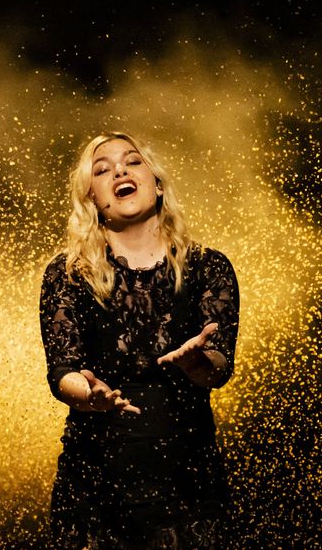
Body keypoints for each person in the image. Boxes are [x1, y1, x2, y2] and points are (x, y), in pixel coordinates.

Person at [39, 131, 240, 549]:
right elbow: (63, 370)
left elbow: (219, 366)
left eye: (132, 162)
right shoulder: (68, 274)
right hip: (95, 491)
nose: (119, 171)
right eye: (102, 168)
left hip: (189, 489)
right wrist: (90, 396)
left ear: (157, 183)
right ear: (92, 197)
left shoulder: (209, 267)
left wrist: (199, 366)